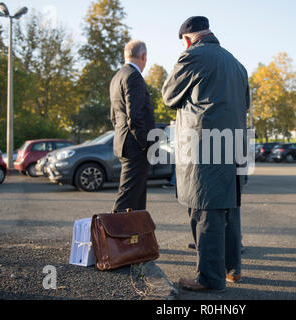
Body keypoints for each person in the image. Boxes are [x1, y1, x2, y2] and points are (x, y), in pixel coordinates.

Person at [162, 16, 250, 293]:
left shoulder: (192, 56)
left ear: (188, 39)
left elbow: (168, 96)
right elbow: (244, 105)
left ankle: (209, 278)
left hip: (204, 147)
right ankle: (231, 269)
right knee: (229, 209)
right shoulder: (237, 64)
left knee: (205, 210)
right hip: (234, 145)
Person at [110, 40, 155, 212]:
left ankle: (134, 237)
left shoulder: (117, 77)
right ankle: (110, 236)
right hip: (136, 147)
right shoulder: (134, 76)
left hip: (124, 143)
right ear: (143, 56)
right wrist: (144, 143)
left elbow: (113, 117)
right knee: (128, 197)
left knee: (136, 197)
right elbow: (134, 116)